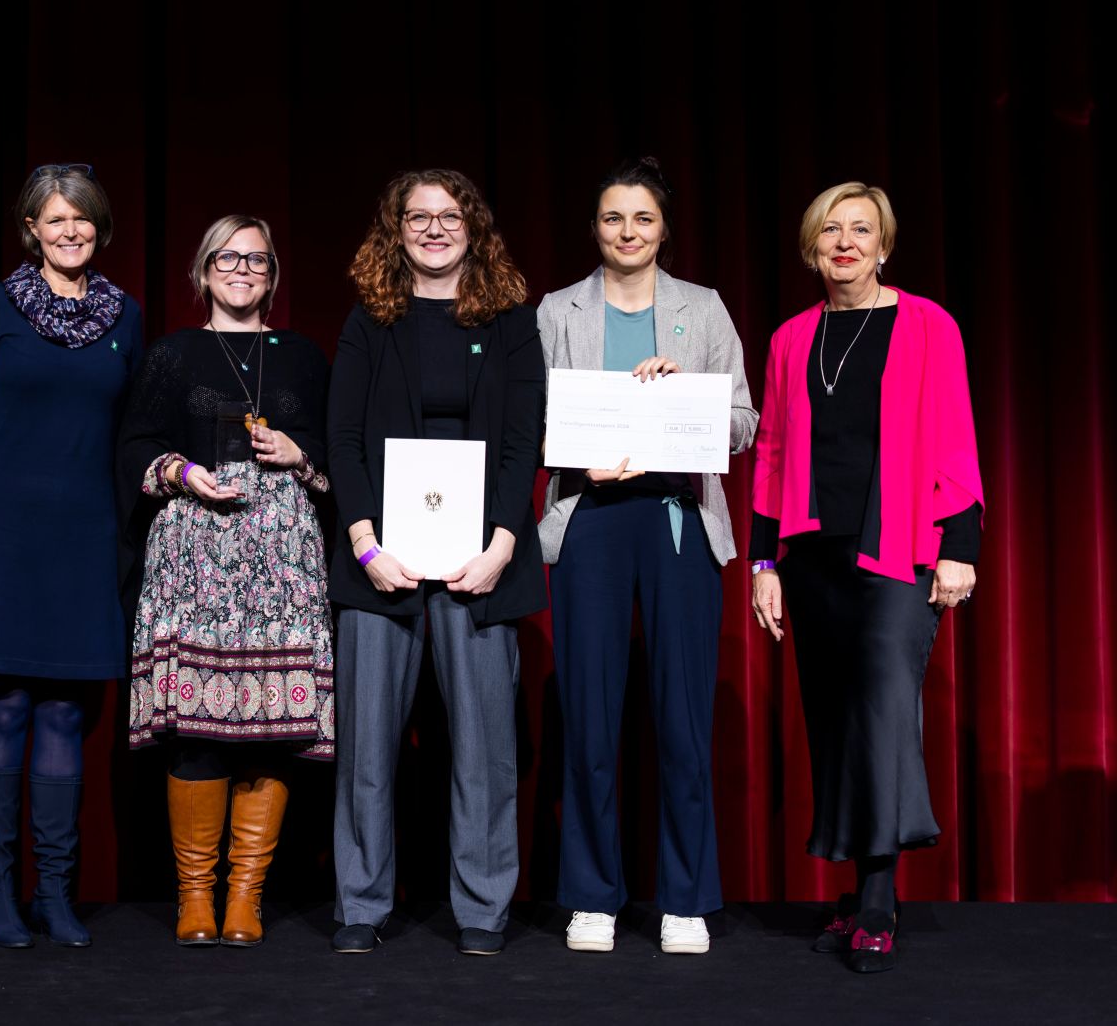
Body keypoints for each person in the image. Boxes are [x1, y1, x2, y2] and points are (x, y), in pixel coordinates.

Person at [750, 182, 982, 974]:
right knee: (836, 724)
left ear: (883, 245)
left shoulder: (928, 325)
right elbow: (774, 450)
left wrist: (961, 544)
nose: (844, 242)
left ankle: (879, 900)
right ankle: (854, 892)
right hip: (814, 559)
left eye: (861, 230)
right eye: (830, 231)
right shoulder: (790, 338)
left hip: (901, 554)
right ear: (812, 247)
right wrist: (763, 561)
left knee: (884, 713)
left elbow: (955, 433)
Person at [535, 157, 757, 956]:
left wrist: (681, 397)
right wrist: (573, 453)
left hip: (677, 519)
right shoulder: (558, 309)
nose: (627, 233)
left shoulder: (703, 310)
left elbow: (742, 421)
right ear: (594, 227)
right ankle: (592, 894)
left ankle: (686, 896)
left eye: (643, 219)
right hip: (591, 519)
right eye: (612, 219)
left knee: (681, 717)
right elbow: (533, 420)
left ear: (664, 228)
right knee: (590, 714)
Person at [327, 168, 544, 958]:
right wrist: (363, 544)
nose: (433, 228)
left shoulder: (512, 323)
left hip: (480, 562)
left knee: (485, 747)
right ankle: (361, 902)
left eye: (448, 215)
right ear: (397, 229)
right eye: (417, 216)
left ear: (472, 226)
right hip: (379, 563)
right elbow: (342, 439)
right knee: (368, 747)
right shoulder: (368, 321)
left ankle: (484, 908)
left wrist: (501, 546)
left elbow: (525, 442)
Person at [117, 215, 333, 947]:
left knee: (273, 734)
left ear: (272, 274)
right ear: (204, 270)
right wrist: (181, 470)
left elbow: (343, 452)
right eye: (229, 258)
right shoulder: (174, 353)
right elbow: (135, 444)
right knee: (197, 732)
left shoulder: (302, 355)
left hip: (283, 558)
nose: (243, 269)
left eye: (258, 260)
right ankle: (195, 897)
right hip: (195, 555)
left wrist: (301, 452)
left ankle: (246, 896)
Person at [0, 164, 144, 948]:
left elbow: (129, 433)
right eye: (54, 220)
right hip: (2, 538)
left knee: (67, 712)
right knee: (6, 707)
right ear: (31, 228)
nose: (69, 232)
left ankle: (53, 892)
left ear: (99, 226)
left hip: (86, 541)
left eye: (82, 220)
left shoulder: (125, 315)